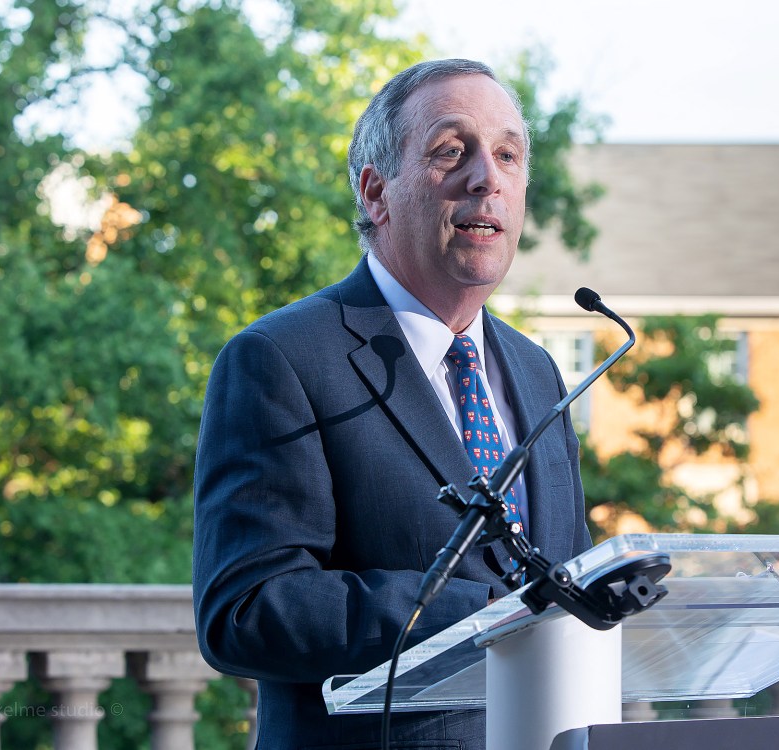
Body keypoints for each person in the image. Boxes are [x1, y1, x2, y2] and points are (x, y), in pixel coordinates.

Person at [192, 59, 592, 750]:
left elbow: (567, 583)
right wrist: (482, 614)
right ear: (377, 192)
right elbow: (245, 610)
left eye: (506, 155)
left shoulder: (537, 371)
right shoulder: (282, 358)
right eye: (450, 151)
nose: (486, 178)